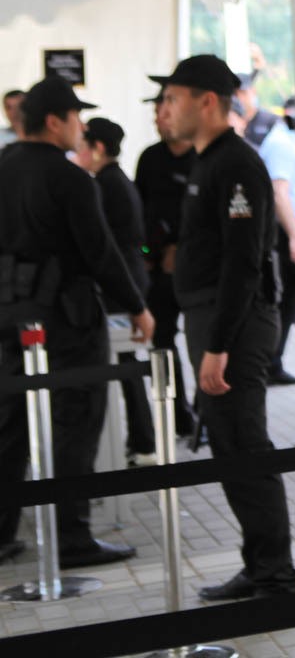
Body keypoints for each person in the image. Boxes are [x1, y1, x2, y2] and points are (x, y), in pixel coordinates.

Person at [157, 55, 295, 600]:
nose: (166, 110)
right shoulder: (209, 160)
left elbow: (243, 263)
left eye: (173, 99)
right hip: (214, 318)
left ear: (207, 102)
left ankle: (276, 574)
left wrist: (217, 346)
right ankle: (261, 565)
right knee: (229, 445)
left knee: (244, 443)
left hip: (234, 323)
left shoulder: (236, 163)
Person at [0, 77, 152, 568]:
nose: (80, 127)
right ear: (53, 121)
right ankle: (72, 537)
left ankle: (2, 533)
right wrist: (136, 305)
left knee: (8, 425)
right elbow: (100, 254)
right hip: (67, 318)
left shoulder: (3, 166)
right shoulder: (70, 178)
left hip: (7, 314)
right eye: (75, 117)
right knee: (76, 423)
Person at [77, 117, 157, 465]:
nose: (76, 153)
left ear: (97, 148)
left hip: (121, 286)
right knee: (127, 365)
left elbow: (104, 246)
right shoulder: (115, 180)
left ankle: (144, 442)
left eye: (81, 146)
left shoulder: (105, 185)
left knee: (125, 365)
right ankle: (141, 440)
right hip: (130, 280)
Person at [135, 88, 198, 438]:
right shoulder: (150, 158)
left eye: (165, 113)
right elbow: (140, 210)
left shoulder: (204, 158)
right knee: (162, 340)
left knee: (205, 340)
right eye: (155, 115)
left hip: (197, 270)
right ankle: (178, 416)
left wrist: (182, 248)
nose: (159, 121)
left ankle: (206, 414)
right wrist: (146, 255)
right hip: (159, 270)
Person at [256, 100, 295, 385]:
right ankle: (270, 363)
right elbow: (279, 192)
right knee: (287, 300)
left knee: (293, 300)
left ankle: (273, 362)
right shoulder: (282, 143)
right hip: (290, 228)